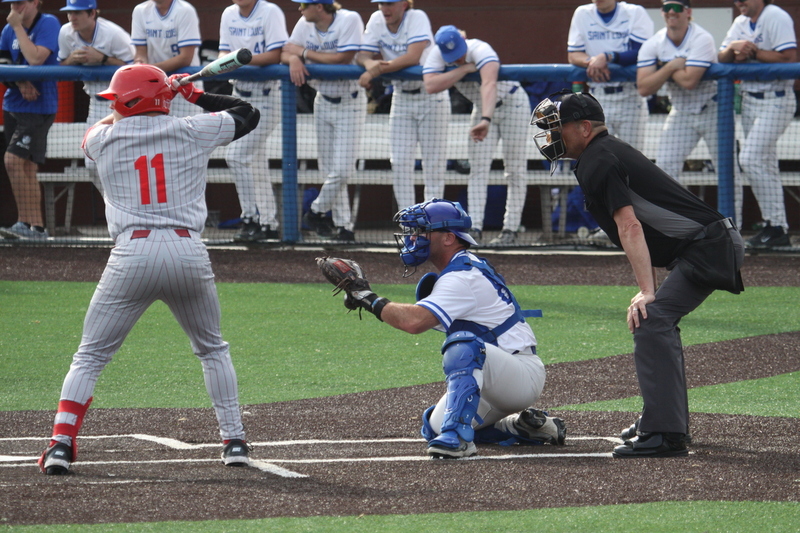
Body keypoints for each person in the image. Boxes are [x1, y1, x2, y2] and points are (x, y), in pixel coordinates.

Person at [37, 64, 260, 475]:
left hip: (132, 256)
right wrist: (189, 95)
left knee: (89, 356)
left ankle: (60, 445)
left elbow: (111, 118)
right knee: (212, 349)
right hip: (187, 252)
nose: (114, 106)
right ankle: (235, 442)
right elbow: (248, 112)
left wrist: (160, 96)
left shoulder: (102, 138)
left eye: (118, 100)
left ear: (128, 102)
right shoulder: (194, 128)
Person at [532, 91, 745, 458]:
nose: (552, 136)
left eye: (558, 127)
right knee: (656, 319)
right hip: (706, 243)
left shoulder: (599, 158)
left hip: (709, 246)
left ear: (584, 128)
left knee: (652, 317)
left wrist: (647, 290)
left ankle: (665, 432)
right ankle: (661, 419)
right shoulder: (599, 154)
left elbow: (630, 226)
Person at [334, 198, 566, 458]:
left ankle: (458, 440)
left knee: (463, 345)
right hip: (494, 377)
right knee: (433, 427)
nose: (413, 238)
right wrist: (366, 299)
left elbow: (414, 322)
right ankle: (520, 428)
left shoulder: (461, 277)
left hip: (517, 374)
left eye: (421, 231)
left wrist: (368, 298)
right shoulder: (461, 268)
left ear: (448, 238)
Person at [422, 26, 530, 246]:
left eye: (460, 52)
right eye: (452, 56)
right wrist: (462, 70)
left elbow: (489, 83)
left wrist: (486, 119)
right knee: (478, 169)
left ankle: (510, 228)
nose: (458, 58)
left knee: (515, 169)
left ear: (463, 40)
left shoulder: (480, 48)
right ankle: (476, 228)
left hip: (512, 104)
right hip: (480, 109)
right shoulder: (437, 54)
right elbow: (431, 85)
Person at [282, 0, 365, 242]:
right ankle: (344, 227)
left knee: (342, 169)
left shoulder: (349, 19)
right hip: (323, 100)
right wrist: (295, 59)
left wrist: (305, 53)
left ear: (320, 6)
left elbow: (343, 57)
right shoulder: (304, 23)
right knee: (328, 169)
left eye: (304, 5)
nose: (300, 9)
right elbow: (286, 50)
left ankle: (316, 211)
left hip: (349, 100)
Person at [356, 0, 448, 212]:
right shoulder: (376, 19)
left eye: (389, 3)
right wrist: (370, 65)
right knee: (399, 163)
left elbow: (413, 57)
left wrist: (375, 71)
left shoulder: (417, 17)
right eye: (380, 3)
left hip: (430, 96)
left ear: (404, 4)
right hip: (402, 97)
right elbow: (362, 55)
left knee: (433, 166)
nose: (384, 8)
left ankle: (433, 225)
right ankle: (410, 224)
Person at [719, 0, 796, 249]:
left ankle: (775, 225)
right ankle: (777, 227)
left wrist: (753, 53)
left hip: (776, 98)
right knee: (765, 163)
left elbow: (789, 58)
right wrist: (734, 48)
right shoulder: (740, 22)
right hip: (750, 100)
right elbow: (721, 57)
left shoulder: (775, 15)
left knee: (751, 158)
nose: (739, 2)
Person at [219, 0, 288, 242]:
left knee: (236, 156)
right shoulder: (229, 14)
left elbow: (275, 55)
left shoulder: (269, 12)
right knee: (256, 164)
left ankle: (251, 217)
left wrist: (239, 61)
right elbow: (222, 53)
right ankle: (268, 223)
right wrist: (226, 62)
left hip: (267, 96)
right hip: (239, 96)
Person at [636, 0, 718, 185]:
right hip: (681, 111)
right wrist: (672, 66)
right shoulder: (654, 42)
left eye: (678, 7)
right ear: (661, 11)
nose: (671, 12)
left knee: (726, 169)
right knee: (665, 167)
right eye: (667, 7)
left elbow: (690, 81)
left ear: (688, 11)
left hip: (712, 108)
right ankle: (678, 215)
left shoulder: (701, 38)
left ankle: (732, 214)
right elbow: (643, 87)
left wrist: (661, 69)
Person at [58, 0, 135, 187]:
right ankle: (114, 205)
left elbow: (137, 68)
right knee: (92, 163)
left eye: (78, 13)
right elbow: (59, 67)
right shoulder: (66, 33)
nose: (72, 17)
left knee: (126, 163)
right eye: (69, 12)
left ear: (92, 13)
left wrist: (103, 58)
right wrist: (70, 60)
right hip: (97, 104)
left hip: (127, 106)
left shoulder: (113, 34)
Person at [0, 0, 60, 240]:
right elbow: (3, 64)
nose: (16, 7)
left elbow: (36, 59)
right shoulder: (7, 31)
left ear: (35, 2)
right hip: (13, 104)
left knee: (12, 161)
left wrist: (17, 28)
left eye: (21, 3)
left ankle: (25, 222)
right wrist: (20, 82)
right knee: (27, 167)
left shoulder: (48, 23)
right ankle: (36, 227)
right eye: (13, 3)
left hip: (40, 107)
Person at [567, 0, 653, 150]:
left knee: (632, 159)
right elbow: (574, 54)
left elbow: (642, 51)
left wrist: (608, 57)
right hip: (598, 97)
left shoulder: (634, 12)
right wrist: (592, 62)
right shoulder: (582, 13)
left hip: (630, 97)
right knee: (599, 156)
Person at [131, 0, 203, 118]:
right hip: (155, 88)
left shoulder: (185, 10)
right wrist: (139, 63)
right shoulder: (140, 10)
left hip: (184, 87)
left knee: (186, 133)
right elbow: (140, 52)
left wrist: (147, 70)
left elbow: (185, 58)